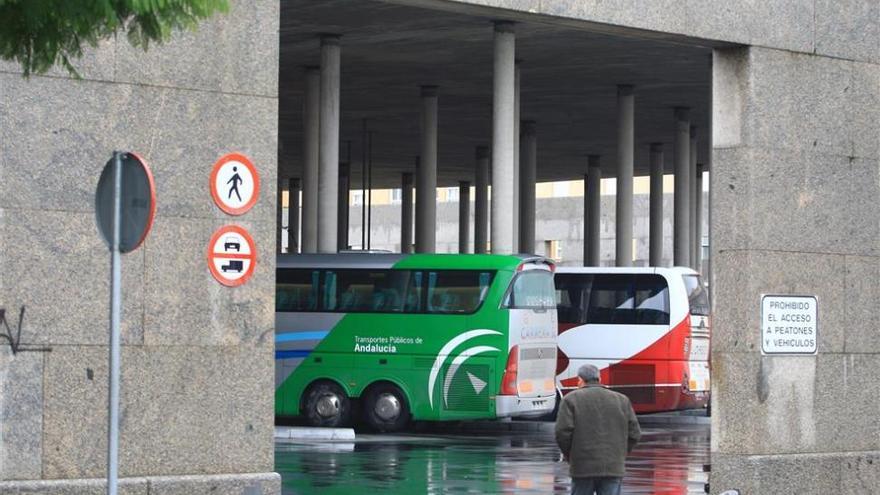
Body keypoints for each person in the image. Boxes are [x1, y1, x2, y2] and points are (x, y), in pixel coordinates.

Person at [555, 364, 641, 495]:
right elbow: (634, 434)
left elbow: (562, 433)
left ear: (581, 380)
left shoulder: (570, 400)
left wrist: (571, 455)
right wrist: (620, 454)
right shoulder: (622, 400)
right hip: (613, 466)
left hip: (582, 467)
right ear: (599, 379)